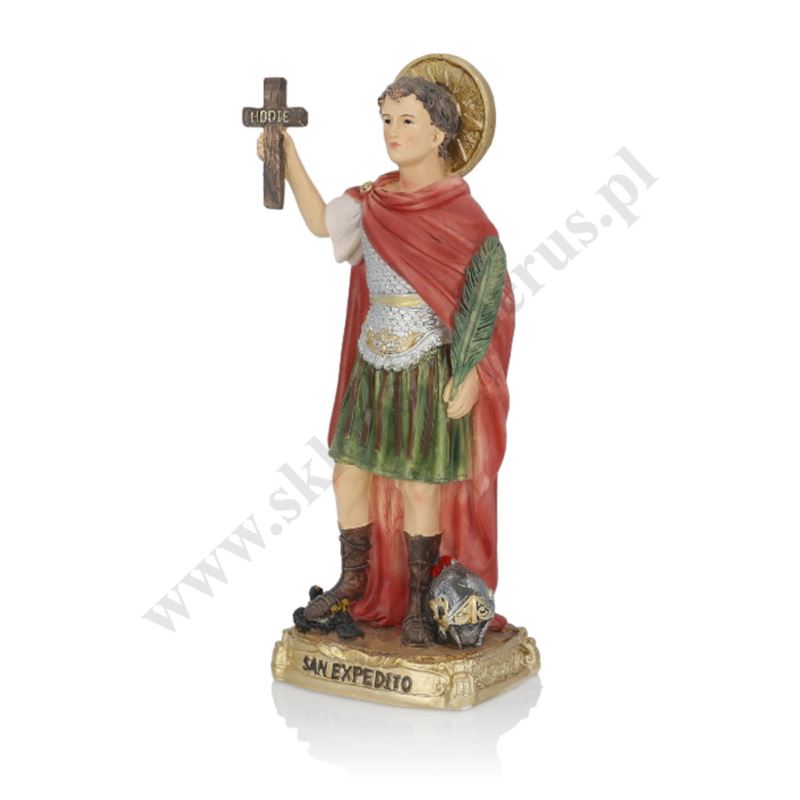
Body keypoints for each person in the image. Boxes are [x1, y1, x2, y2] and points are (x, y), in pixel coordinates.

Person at [258, 74, 515, 646]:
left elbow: (490, 302)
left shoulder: (464, 217)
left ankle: (421, 601)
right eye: (387, 121)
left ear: (440, 133)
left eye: (407, 121)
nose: (393, 133)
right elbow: (322, 223)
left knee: (419, 486)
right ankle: (354, 579)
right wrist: (289, 155)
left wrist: (473, 372)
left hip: (428, 369)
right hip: (372, 364)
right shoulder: (371, 200)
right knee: (349, 474)